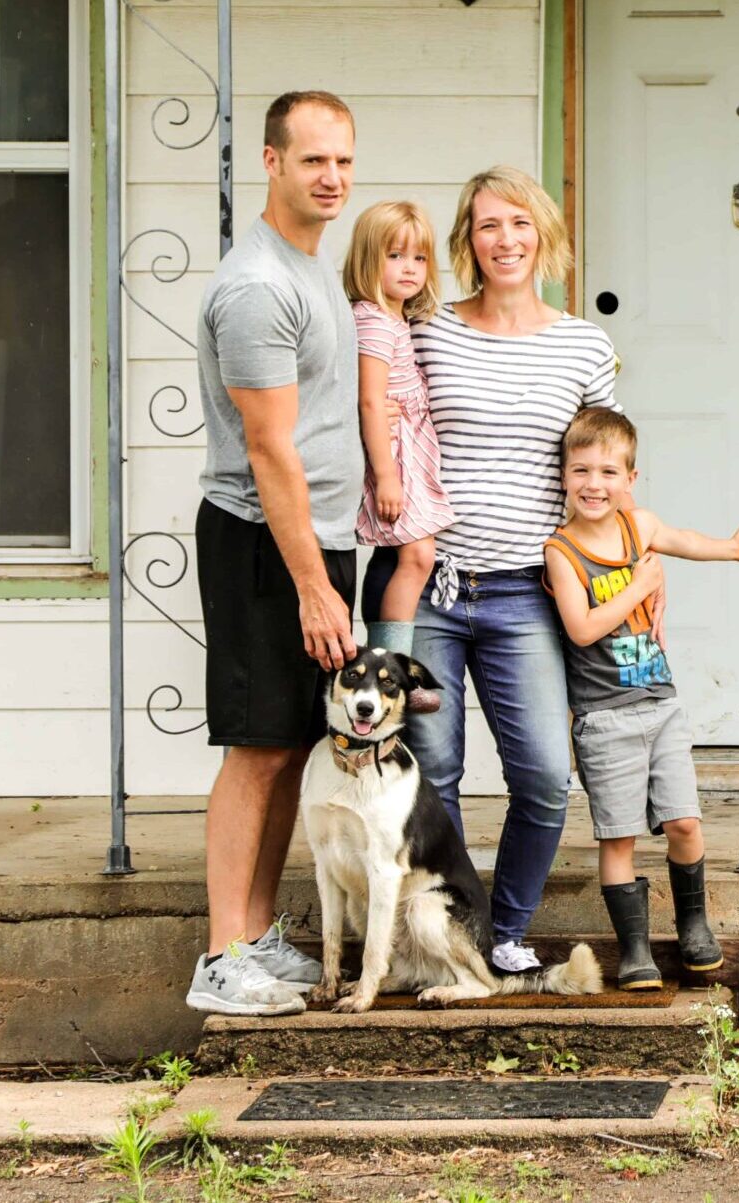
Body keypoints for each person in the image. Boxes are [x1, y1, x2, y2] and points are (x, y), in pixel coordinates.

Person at [363, 165, 646, 974]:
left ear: (545, 236)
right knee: (435, 771)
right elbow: (381, 413)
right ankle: (463, 936)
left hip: (529, 590)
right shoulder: (430, 333)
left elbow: (606, 471)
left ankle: (507, 930)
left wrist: (632, 571)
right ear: (468, 241)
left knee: (546, 777)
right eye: (489, 226)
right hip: (434, 586)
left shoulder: (584, 345)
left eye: (520, 224)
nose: (506, 240)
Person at [187, 90, 361, 1017]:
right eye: (311, 161)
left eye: (342, 160)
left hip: (316, 541)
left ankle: (255, 937)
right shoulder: (259, 286)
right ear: (270, 161)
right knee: (255, 749)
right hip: (266, 543)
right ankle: (220, 956)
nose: (330, 178)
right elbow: (268, 450)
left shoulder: (310, 264)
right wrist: (311, 587)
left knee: (292, 741)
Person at [543, 408, 739, 988]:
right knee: (619, 834)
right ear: (563, 476)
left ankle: (693, 926)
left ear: (631, 479)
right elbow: (582, 629)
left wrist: (731, 549)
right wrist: (640, 586)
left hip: (661, 707)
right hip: (603, 716)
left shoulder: (639, 527)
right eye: (582, 470)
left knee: (685, 821)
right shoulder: (561, 552)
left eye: (609, 472)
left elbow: (683, 539)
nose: (595, 484)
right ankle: (635, 948)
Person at [342, 201, 454, 676]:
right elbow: (370, 400)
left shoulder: (394, 317)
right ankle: (388, 665)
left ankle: (387, 662)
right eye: (395, 256)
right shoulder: (373, 320)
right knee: (417, 553)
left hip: (407, 445)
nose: (409, 268)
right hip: (393, 453)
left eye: (419, 258)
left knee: (409, 554)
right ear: (369, 259)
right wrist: (386, 476)